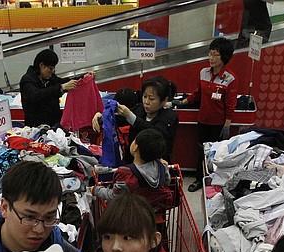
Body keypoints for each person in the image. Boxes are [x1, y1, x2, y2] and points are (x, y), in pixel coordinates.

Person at [179, 37, 237, 192]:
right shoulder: (203, 73)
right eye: (210, 54)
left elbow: (230, 104)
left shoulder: (230, 79)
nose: (211, 58)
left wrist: (227, 125)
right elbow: (196, 95)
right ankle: (200, 180)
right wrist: (182, 102)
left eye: (215, 55)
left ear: (224, 57)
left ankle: (215, 183)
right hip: (203, 121)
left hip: (218, 124)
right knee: (201, 152)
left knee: (217, 155)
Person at [93, 76, 179, 163]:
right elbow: (121, 119)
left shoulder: (170, 117)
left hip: (156, 166)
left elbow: (155, 133)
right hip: (131, 164)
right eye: (145, 96)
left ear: (164, 100)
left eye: (151, 98)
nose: (146, 102)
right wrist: (102, 118)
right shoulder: (139, 109)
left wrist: (130, 116)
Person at [92, 129, 174, 214]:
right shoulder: (162, 167)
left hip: (130, 216)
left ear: (135, 147)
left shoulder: (126, 174)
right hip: (153, 212)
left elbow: (114, 196)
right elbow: (167, 182)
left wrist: (96, 190)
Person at [20, 48, 78, 127]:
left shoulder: (50, 78)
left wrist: (84, 77)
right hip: (36, 127)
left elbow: (64, 81)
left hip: (55, 126)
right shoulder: (27, 80)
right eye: (50, 68)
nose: (52, 71)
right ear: (41, 65)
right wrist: (60, 88)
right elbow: (36, 95)